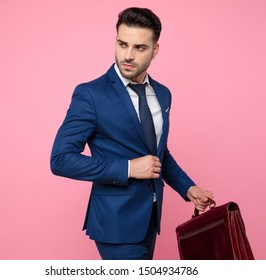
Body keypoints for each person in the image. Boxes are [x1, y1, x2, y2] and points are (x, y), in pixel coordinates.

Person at [50, 7, 213, 260]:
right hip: (115, 224)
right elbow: (60, 160)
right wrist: (127, 168)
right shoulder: (91, 95)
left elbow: (158, 153)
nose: (127, 55)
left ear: (155, 50)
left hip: (150, 219)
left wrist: (188, 188)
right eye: (122, 44)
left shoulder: (163, 94)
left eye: (139, 48)